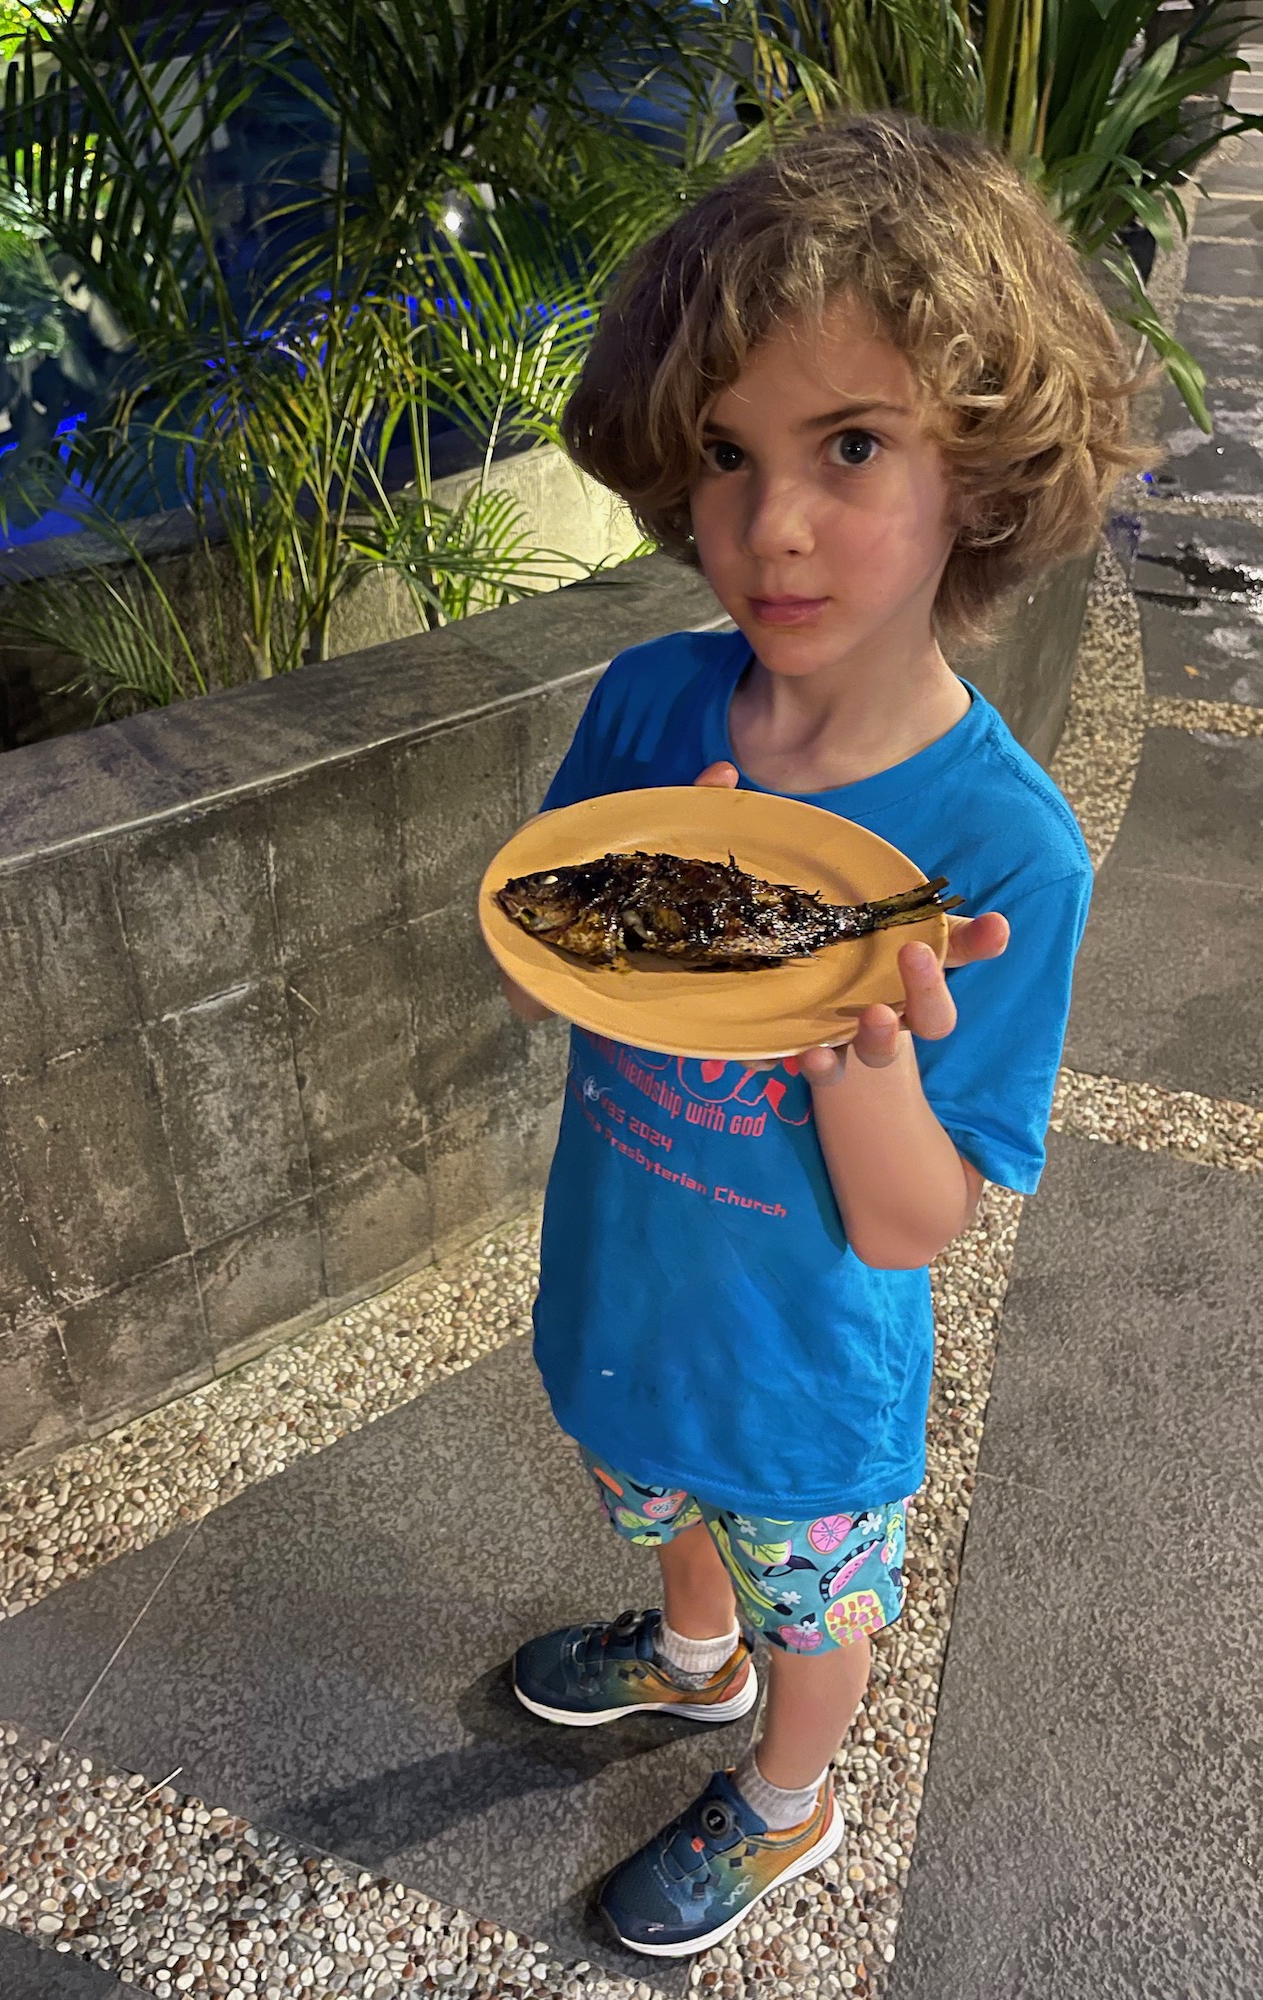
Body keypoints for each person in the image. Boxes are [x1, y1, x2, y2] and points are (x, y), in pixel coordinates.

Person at [494, 109, 1161, 1959]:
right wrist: (647, 901)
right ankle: (688, 1653)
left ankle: (789, 1793)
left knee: (822, 1602)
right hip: (624, 1265)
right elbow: (543, 949)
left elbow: (915, 1224)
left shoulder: (992, 848)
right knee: (648, 1487)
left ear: (984, 476)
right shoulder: (648, 703)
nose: (768, 524)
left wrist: (862, 1045)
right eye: (725, 455)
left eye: (849, 445)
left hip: (802, 1358)